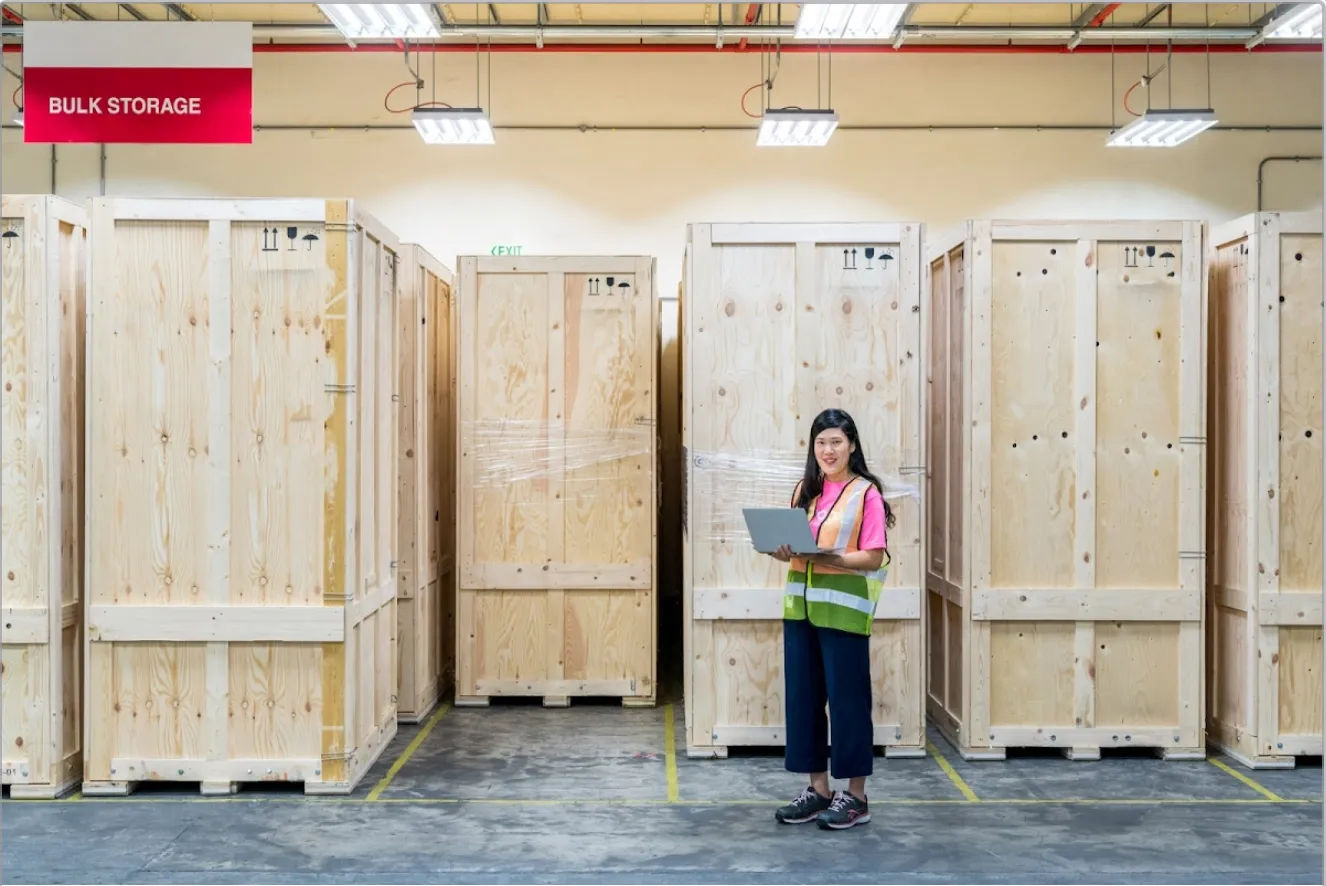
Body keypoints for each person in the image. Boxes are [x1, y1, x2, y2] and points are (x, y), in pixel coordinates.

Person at [766, 408, 895, 831]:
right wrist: (780, 548)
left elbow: (874, 555)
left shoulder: (866, 494)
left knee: (847, 703)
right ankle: (818, 790)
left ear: (852, 445)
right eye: (821, 442)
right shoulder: (805, 490)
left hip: (842, 613)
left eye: (836, 441)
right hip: (800, 609)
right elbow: (794, 546)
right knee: (803, 700)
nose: (828, 450)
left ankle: (856, 797)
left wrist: (832, 557)